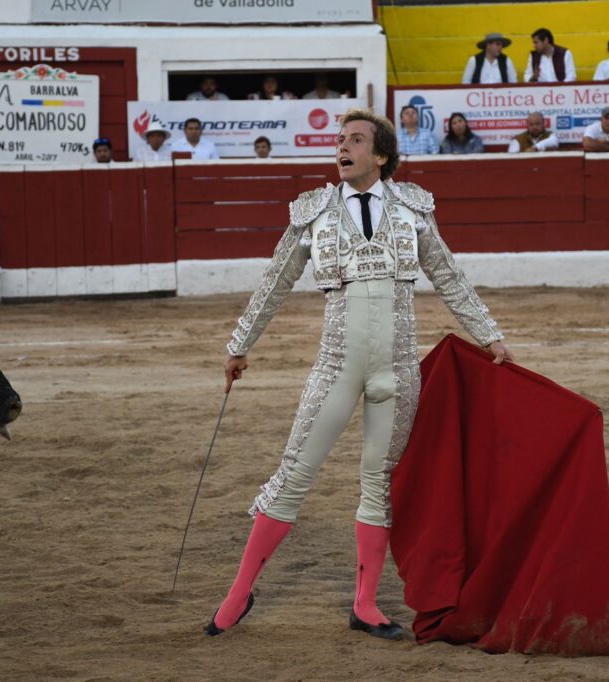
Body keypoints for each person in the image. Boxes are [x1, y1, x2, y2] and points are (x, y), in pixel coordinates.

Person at [207, 107, 513, 642]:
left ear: (381, 156)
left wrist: (490, 335)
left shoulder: (413, 211)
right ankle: (238, 592)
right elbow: (274, 282)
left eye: (354, 140)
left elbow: (447, 275)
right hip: (335, 368)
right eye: (339, 140)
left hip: (397, 372)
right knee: (292, 477)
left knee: (379, 486)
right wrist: (239, 346)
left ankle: (366, 604)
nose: (341, 149)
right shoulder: (314, 212)